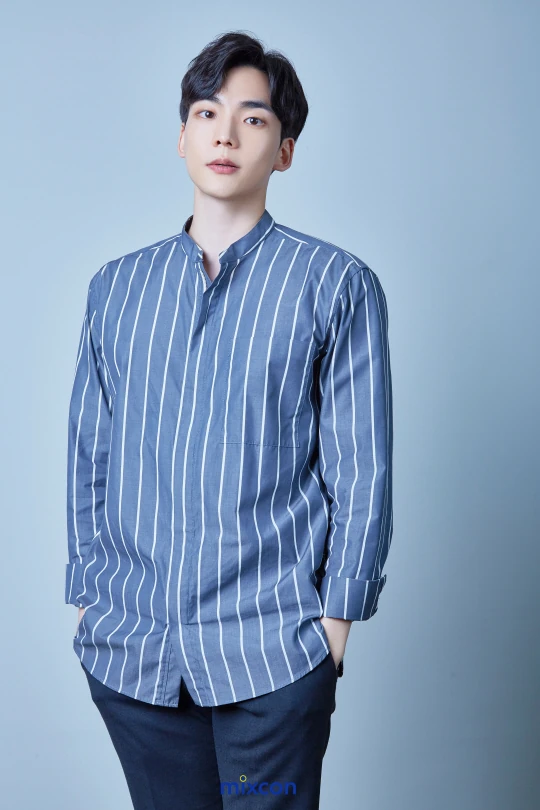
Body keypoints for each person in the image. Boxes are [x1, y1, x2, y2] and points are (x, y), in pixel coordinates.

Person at [65, 29, 394, 810]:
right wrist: (87, 597)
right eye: (207, 114)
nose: (225, 134)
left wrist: (334, 629)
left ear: (285, 150)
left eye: (252, 118)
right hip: (133, 655)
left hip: (272, 659)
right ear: (182, 137)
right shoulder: (116, 288)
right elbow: (89, 453)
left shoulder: (334, 285)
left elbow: (362, 468)